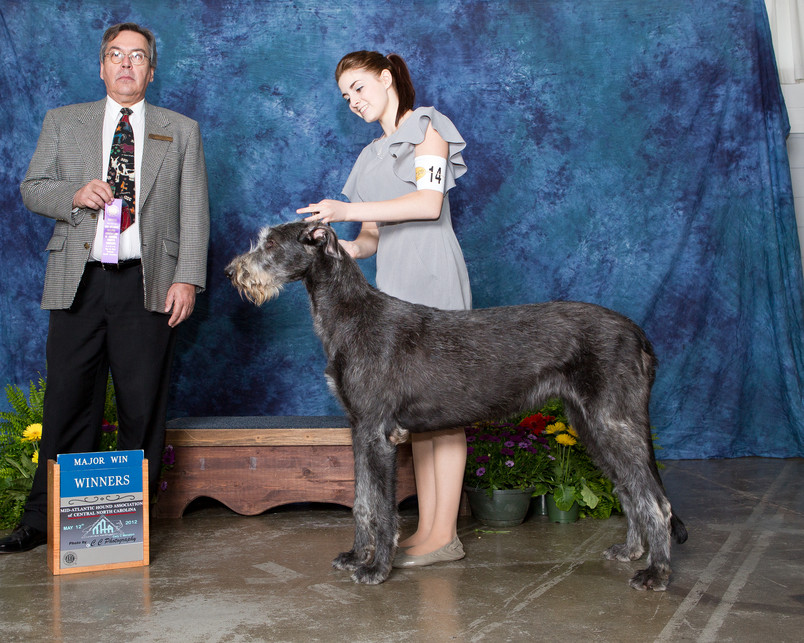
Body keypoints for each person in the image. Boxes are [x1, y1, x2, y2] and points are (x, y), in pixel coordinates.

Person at [0, 22, 210, 554]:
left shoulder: (179, 130)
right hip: (79, 281)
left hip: (149, 282)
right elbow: (31, 188)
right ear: (101, 66)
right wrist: (74, 192)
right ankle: (44, 519)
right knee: (69, 402)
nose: (125, 64)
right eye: (115, 55)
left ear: (151, 71)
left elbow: (194, 212)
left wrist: (187, 277)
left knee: (142, 406)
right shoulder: (63, 122)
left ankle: (127, 524)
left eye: (137, 57)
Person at [297, 50, 471, 568]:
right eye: (345, 95)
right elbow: (368, 241)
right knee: (414, 412)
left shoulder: (427, 127)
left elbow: (428, 203)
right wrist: (327, 243)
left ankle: (445, 534)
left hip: (435, 277)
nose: (352, 100)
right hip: (392, 293)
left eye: (358, 86)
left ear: (387, 77)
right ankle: (428, 530)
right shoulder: (369, 158)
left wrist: (346, 209)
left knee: (447, 409)